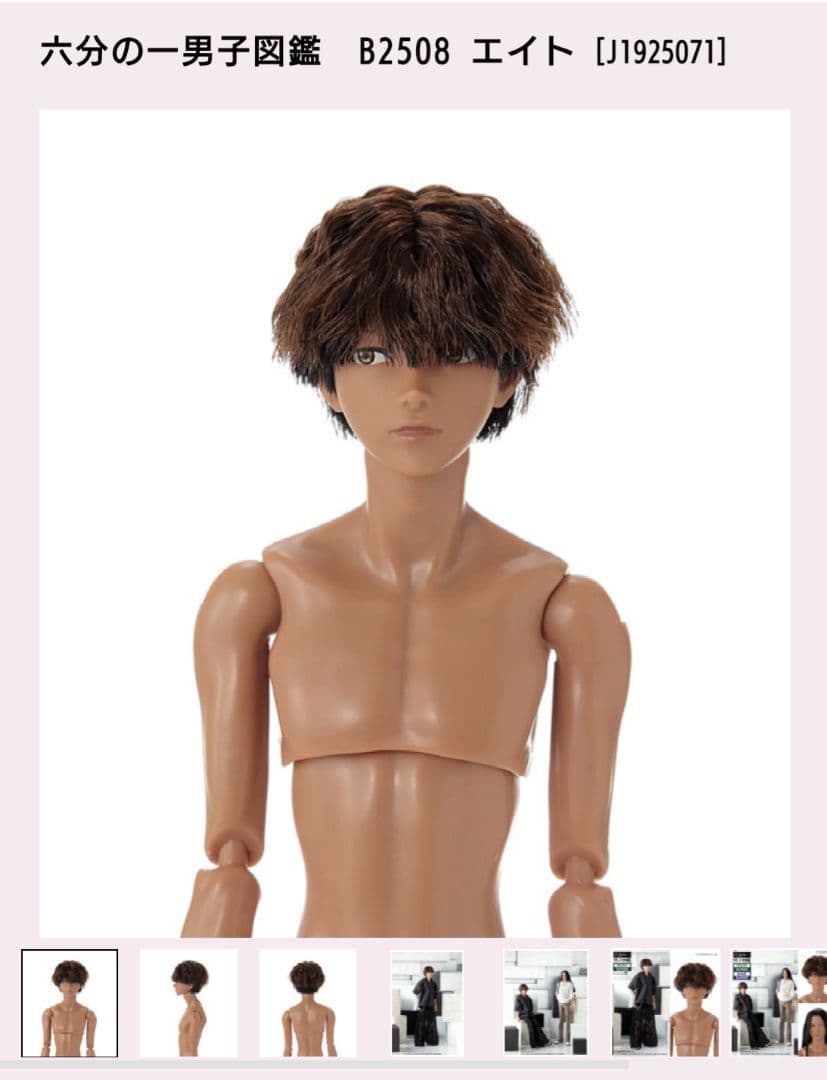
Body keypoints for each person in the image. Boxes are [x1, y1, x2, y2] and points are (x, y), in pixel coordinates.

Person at [181, 185, 631, 941]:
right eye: (372, 355)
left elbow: (580, 879)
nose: (414, 391)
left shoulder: (559, 608)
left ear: (507, 376)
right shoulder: (262, 596)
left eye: (454, 352)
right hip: (319, 983)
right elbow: (229, 864)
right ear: (326, 380)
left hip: (478, 993)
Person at [41, 960, 96, 1058]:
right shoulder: (50, 1013)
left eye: (74, 981)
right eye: (65, 981)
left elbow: (90, 1048)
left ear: (80, 985)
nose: (70, 986)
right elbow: (46, 1046)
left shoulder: (88, 1014)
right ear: (59, 985)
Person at [282, 961, 336, 1058]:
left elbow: (287, 1050)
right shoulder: (327, 1012)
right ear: (319, 981)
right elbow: (331, 1048)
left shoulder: (289, 1014)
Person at [669, 963, 718, 1057]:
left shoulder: (713, 1021)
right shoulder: (674, 1020)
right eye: (689, 986)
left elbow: (718, 1055)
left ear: (707, 990)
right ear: (682, 989)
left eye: (699, 986)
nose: (694, 991)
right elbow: (668, 1055)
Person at [171, 960, 208, 1057]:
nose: (174, 985)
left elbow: (192, 1048)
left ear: (190, 985)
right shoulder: (192, 1006)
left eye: (178, 981)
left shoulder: (194, 1011)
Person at [628, 958, 658, 1049]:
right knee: (638, 1023)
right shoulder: (639, 976)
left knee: (650, 1023)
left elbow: (653, 993)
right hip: (640, 1003)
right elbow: (630, 987)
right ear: (642, 966)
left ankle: (649, 1043)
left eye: (649, 965)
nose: (647, 967)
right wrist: (636, 997)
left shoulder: (652, 977)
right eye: (646, 965)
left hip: (649, 1003)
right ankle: (636, 1044)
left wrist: (654, 1002)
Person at [733, 982, 769, 1050]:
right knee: (750, 1026)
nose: (743, 990)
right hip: (743, 1014)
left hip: (750, 1013)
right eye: (742, 988)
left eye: (744, 988)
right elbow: (736, 1007)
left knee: (756, 1025)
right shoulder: (737, 996)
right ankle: (753, 1045)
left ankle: (763, 1042)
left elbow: (751, 1007)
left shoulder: (748, 996)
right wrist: (737, 1016)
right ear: (739, 989)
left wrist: (751, 1013)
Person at [513, 984, 549, 1048]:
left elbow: (531, 1008)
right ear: (520, 990)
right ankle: (533, 1044)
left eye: (525, 990)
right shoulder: (518, 998)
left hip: (530, 1014)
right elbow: (516, 1009)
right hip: (523, 1015)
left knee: (537, 1026)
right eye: (523, 990)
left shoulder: (528, 998)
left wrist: (532, 1014)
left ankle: (542, 1042)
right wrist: (517, 1017)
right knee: (531, 1026)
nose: (524, 991)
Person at [413, 966, 440, 1047]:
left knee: (431, 1024)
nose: (430, 974)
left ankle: (431, 1041)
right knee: (421, 1024)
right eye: (428, 972)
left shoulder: (434, 983)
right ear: (425, 973)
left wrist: (435, 1006)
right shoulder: (422, 982)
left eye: (431, 972)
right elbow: (415, 991)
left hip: (431, 1006)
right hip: (423, 1005)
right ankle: (420, 1041)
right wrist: (420, 999)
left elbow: (435, 996)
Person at [776, 966, 796, 1044]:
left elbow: (792, 992)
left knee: (788, 1021)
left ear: (788, 974)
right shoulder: (779, 981)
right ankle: (781, 1039)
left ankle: (788, 1040)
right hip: (780, 1001)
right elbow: (777, 990)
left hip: (788, 1002)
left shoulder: (791, 982)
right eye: (783, 973)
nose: (784, 974)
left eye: (786, 973)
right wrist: (779, 997)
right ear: (782, 974)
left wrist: (790, 999)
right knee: (781, 1020)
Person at [555, 970, 576, 1044]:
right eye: (562, 975)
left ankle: (568, 1040)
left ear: (567, 975)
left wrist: (570, 1001)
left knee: (568, 1021)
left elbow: (571, 993)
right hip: (560, 1003)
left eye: (565, 975)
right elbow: (556, 993)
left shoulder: (570, 984)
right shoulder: (559, 983)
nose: (564, 976)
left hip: (567, 1003)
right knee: (560, 1021)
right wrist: (559, 999)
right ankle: (560, 1039)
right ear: (561, 976)